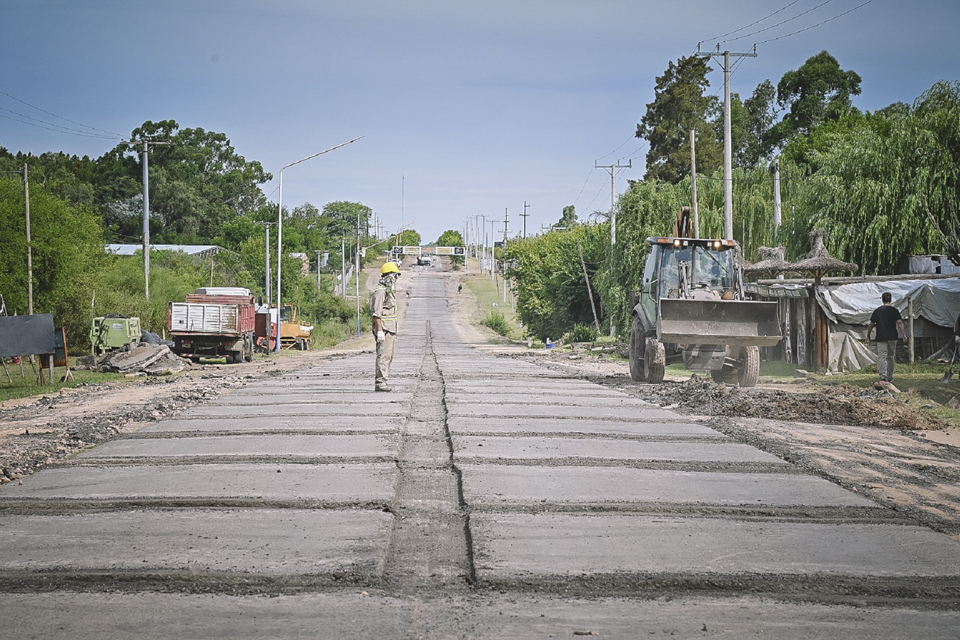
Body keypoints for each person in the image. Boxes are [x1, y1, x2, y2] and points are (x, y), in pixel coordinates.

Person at [370, 262, 401, 392]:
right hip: (384, 329)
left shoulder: (388, 291)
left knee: (388, 356)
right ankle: (380, 382)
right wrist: (380, 331)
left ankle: (383, 380)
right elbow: (376, 314)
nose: (396, 279)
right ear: (389, 277)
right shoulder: (380, 292)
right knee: (383, 356)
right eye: (395, 276)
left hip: (390, 329)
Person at [867, 291, 907, 384]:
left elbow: (871, 324)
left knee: (882, 357)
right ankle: (890, 377)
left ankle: (883, 377)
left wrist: (868, 335)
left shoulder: (877, 311)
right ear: (891, 300)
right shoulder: (894, 311)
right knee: (891, 357)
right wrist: (904, 334)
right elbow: (900, 322)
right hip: (892, 336)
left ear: (882, 300)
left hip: (881, 336)